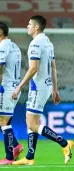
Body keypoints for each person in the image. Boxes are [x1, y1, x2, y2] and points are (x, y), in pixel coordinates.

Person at [11, 15, 74, 165]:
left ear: (36, 27)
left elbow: (34, 68)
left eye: (29, 24)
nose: (27, 27)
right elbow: (53, 67)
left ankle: (65, 144)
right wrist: (55, 89)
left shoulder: (35, 44)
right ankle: (29, 157)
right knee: (34, 122)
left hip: (38, 88)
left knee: (32, 124)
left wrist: (19, 87)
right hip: (45, 87)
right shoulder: (48, 42)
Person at [0, 22, 23, 165]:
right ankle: (15, 146)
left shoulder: (2, 46)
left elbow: (0, 67)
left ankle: (9, 157)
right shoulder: (14, 46)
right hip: (14, 88)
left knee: (3, 121)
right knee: (4, 121)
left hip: (7, 89)